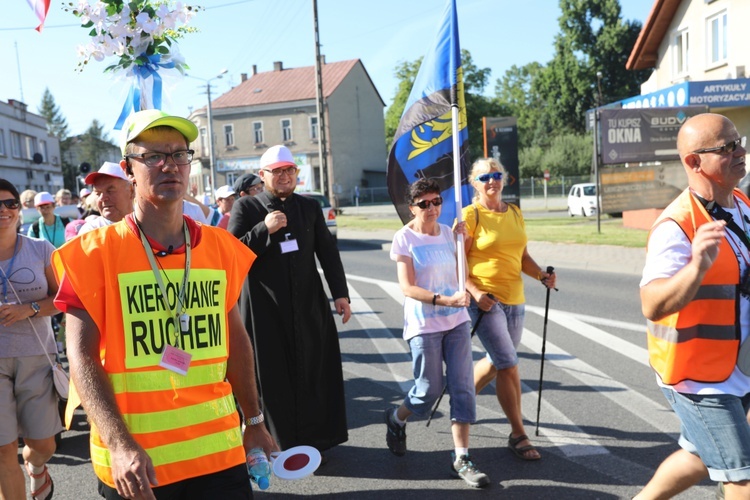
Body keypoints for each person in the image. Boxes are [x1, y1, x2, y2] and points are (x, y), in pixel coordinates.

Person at [52, 109, 276, 499]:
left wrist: (254, 419)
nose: (169, 165)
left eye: (178, 155)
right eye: (152, 156)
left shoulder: (222, 248)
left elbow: (236, 341)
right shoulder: (92, 254)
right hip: (138, 464)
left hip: (218, 452)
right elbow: (82, 358)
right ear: (128, 169)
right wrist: (120, 445)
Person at [635, 113, 750, 499]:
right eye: (727, 147)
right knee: (742, 476)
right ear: (694, 162)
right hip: (699, 378)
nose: (741, 151)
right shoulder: (676, 226)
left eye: (740, 141)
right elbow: (652, 303)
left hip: (737, 365)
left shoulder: (743, 205)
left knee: (698, 457)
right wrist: (697, 267)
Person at [228, 144, 350, 453]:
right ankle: (274, 442)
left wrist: (340, 294)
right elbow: (231, 254)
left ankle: (316, 439)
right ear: (263, 175)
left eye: (290, 170)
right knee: (272, 376)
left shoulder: (308, 207)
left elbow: (327, 252)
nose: (284, 176)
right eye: (277, 171)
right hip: (264, 309)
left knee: (313, 370)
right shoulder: (247, 208)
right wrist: (263, 230)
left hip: (308, 304)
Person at [385, 178, 489, 489]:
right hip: (424, 324)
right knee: (428, 391)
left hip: (456, 322)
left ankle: (462, 457)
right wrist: (444, 300)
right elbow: (407, 287)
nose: (432, 208)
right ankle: (396, 418)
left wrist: (464, 242)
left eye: (436, 202)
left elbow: (462, 275)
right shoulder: (404, 239)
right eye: (424, 204)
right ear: (412, 208)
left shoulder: (449, 234)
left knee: (462, 388)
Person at [462, 158, 555, 461]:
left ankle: (461, 402)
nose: (492, 181)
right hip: (486, 301)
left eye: (496, 175)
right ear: (473, 183)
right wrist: (475, 292)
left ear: (504, 179)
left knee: (497, 361)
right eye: (485, 177)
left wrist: (541, 274)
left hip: (515, 299)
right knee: (508, 364)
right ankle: (518, 433)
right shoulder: (470, 216)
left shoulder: (514, 212)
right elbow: (456, 264)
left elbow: (522, 256)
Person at [0, 179, 62, 500]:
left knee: (43, 444)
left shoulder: (40, 250)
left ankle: (36, 466)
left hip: (36, 357)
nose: (4, 210)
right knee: (3, 450)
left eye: (10, 203)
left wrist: (30, 309)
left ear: (19, 209)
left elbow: (65, 298)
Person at [78, 161, 135, 234]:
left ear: (131, 191)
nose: (102, 198)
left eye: (110, 191)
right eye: (98, 193)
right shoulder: (90, 232)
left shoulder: (148, 225)